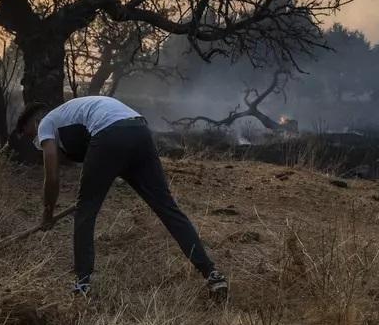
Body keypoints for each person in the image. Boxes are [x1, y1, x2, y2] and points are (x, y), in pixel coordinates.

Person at [13, 96, 228, 298]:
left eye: (31, 136)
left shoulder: (46, 123)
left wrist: (47, 213)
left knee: (85, 212)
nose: (37, 142)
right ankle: (212, 274)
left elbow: (51, 176)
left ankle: (82, 285)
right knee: (167, 208)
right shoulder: (71, 115)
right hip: (139, 130)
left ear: (35, 121)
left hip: (109, 134)